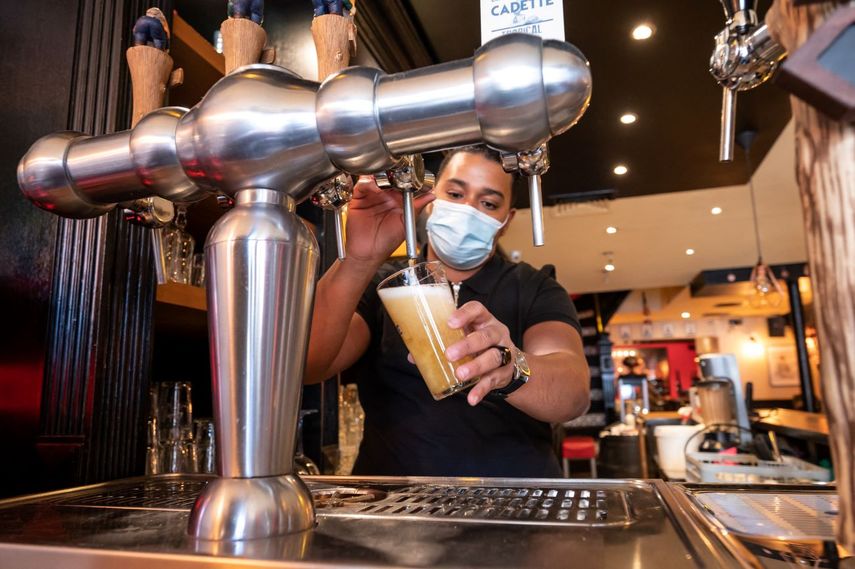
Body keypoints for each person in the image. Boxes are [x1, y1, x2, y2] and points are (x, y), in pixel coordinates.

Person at [304, 146, 590, 478]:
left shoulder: (534, 287)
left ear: (506, 220)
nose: (467, 210)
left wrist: (511, 367)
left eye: (488, 203)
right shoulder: (383, 285)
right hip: (399, 503)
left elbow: (573, 395)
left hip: (515, 501)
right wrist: (358, 259)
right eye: (455, 193)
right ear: (430, 198)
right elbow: (310, 365)